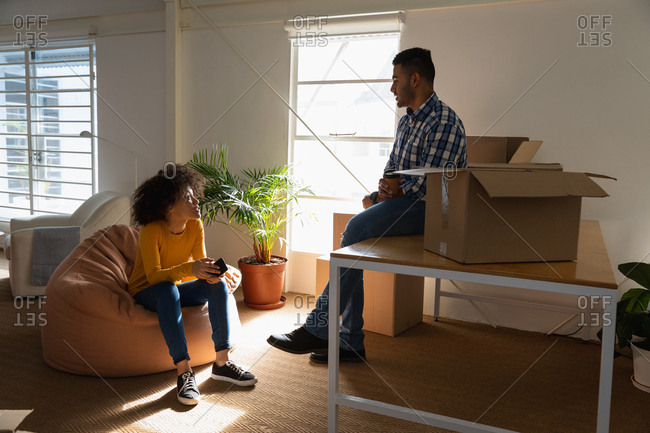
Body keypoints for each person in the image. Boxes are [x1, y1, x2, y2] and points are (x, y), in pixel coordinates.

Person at [267, 47, 467, 363]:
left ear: (415, 79)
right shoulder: (407, 122)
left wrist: (394, 192)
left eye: (395, 80)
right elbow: (392, 171)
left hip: (432, 212)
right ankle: (350, 342)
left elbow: (434, 186)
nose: (391, 88)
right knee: (355, 242)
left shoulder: (444, 122)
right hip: (408, 204)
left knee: (356, 228)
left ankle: (322, 328)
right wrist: (379, 194)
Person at [128, 164, 257, 406]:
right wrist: (192, 268)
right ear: (169, 207)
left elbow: (200, 265)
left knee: (215, 285)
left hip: (175, 288)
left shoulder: (195, 225)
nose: (196, 200)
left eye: (194, 194)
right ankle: (184, 372)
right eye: (188, 197)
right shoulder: (150, 230)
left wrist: (213, 273)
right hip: (147, 290)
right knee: (167, 289)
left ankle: (222, 362)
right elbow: (155, 276)